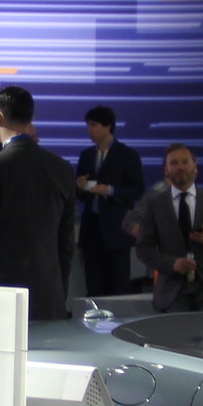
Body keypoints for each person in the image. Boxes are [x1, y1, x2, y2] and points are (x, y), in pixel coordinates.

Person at [0, 85, 75, 322]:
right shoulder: (62, 169)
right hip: (47, 300)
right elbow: (66, 245)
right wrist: (58, 293)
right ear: (31, 118)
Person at [132, 143, 203, 313]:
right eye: (174, 163)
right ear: (166, 170)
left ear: (195, 167)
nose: (179, 167)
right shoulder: (155, 204)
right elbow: (143, 249)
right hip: (173, 289)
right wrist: (172, 263)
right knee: (178, 332)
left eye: (185, 162)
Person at [75, 105, 146, 297]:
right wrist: (80, 186)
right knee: (94, 286)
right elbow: (79, 194)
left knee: (119, 286)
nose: (90, 130)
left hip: (117, 229)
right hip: (92, 229)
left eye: (94, 125)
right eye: (88, 125)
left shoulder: (127, 155)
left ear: (108, 126)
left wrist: (111, 190)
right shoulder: (86, 155)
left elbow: (137, 189)